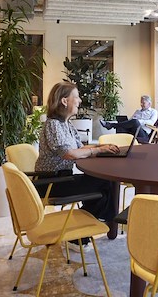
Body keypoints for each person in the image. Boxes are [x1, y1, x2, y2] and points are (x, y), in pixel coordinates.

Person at [34, 82, 121, 242]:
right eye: (77, 97)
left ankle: (87, 228)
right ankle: (87, 229)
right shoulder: (53, 124)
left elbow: (80, 148)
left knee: (103, 183)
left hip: (61, 178)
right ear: (64, 101)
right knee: (103, 183)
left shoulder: (66, 124)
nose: (80, 101)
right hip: (50, 183)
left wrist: (102, 147)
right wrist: (97, 150)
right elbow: (69, 154)